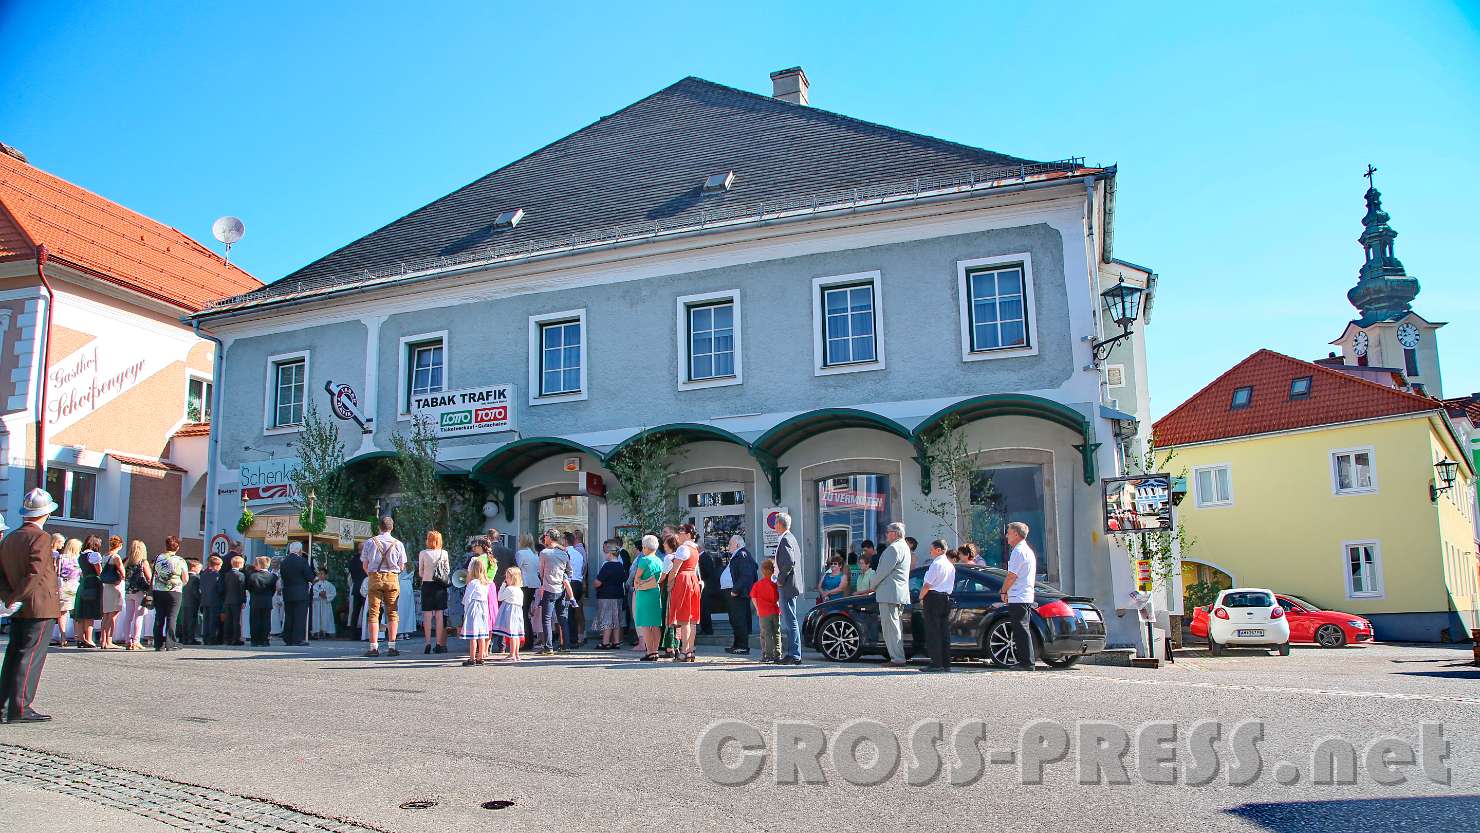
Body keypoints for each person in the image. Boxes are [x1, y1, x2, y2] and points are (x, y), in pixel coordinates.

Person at [0, 489, 62, 723]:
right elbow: (35, 573)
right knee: (31, 656)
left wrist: (9, 598)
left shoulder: (10, 538)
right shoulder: (41, 537)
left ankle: (4, 705)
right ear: (46, 513)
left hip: (19, 606)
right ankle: (20, 707)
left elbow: (1, 575)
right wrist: (17, 597)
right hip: (39, 606)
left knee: (14, 655)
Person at [360, 516, 407, 657]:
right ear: (392, 527)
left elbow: (365, 565)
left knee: (374, 613)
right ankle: (392, 646)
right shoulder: (398, 544)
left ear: (379, 527)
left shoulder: (370, 542)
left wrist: (372, 575)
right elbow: (402, 566)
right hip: (392, 578)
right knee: (392, 612)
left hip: (375, 577)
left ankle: (373, 647)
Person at [869, 522, 912, 667]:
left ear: (895, 533)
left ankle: (897, 658)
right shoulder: (904, 547)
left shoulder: (893, 548)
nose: (886, 534)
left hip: (889, 593)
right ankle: (898, 656)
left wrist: (872, 585)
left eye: (888, 532)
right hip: (898, 593)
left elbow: (882, 571)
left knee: (890, 628)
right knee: (895, 627)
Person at [999, 521, 1038, 671]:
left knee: (1021, 630)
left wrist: (1003, 591)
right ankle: (1026, 661)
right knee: (1022, 628)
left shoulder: (1018, 551)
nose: (1006, 536)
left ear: (1016, 534)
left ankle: (1026, 662)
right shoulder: (1027, 550)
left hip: (1018, 596)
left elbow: (1011, 576)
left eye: (1009, 532)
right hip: (1024, 595)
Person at [664, 524, 702, 663]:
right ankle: (690, 650)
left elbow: (675, 569)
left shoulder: (683, 548)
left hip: (683, 581)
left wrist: (670, 584)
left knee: (684, 618)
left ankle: (684, 652)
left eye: (680, 532)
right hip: (693, 580)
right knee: (692, 619)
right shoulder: (695, 549)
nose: (678, 535)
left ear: (687, 534)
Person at [918, 539, 955, 673]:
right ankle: (946, 663)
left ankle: (936, 663)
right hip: (945, 598)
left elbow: (927, 585)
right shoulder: (950, 565)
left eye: (932, 549)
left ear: (939, 550)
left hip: (933, 598)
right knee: (944, 632)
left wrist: (921, 597)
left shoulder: (936, 564)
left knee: (933, 632)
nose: (930, 552)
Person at [773, 512, 803, 665]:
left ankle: (794, 655)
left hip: (787, 585)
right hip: (790, 584)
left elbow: (789, 562)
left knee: (790, 621)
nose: (774, 526)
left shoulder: (785, 539)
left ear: (780, 524)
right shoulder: (790, 538)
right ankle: (793, 653)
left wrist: (780, 580)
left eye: (775, 523)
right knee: (791, 620)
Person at [536, 529, 572, 654]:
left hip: (549, 587)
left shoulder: (544, 553)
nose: (544, 538)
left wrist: (543, 580)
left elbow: (541, 571)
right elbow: (569, 571)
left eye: (545, 536)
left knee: (546, 618)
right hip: (561, 588)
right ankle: (566, 645)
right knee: (562, 617)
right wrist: (565, 581)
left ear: (549, 537)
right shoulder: (564, 553)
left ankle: (548, 647)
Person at [721, 535, 757, 655]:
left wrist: (735, 590)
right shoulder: (737, 555)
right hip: (734, 594)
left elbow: (746, 575)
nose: (728, 546)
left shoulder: (742, 555)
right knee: (735, 620)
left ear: (737, 544)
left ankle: (742, 646)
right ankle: (737, 645)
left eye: (730, 544)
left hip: (738, 594)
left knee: (739, 620)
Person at [630, 535, 664, 661]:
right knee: (655, 625)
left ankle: (650, 652)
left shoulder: (644, 560)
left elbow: (636, 579)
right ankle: (655, 651)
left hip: (644, 595)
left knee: (645, 625)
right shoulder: (659, 561)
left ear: (645, 547)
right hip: (655, 593)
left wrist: (640, 583)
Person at [150, 538, 187, 652]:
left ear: (166, 546)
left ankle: (158, 643)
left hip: (158, 590)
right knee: (172, 617)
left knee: (159, 616)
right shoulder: (180, 560)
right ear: (177, 547)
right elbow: (185, 578)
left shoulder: (158, 558)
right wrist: (180, 584)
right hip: (174, 591)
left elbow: (154, 574)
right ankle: (170, 643)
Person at [418, 531, 451, 654]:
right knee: (439, 615)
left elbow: (420, 572)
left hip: (427, 584)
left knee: (427, 615)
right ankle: (438, 643)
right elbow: (447, 571)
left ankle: (427, 643)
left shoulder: (423, 553)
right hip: (440, 586)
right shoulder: (444, 553)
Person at [72, 537, 104, 648]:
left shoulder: (81, 556)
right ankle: (89, 639)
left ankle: (81, 638)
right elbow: (99, 572)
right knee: (90, 612)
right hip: (93, 583)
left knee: (82, 612)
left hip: (84, 583)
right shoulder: (94, 555)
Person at [280, 541, 314, 646]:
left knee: (289, 616)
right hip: (300, 592)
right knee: (299, 616)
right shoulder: (302, 561)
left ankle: (288, 638)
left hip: (287, 591)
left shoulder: (284, 561)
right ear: (299, 550)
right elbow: (309, 576)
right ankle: (297, 639)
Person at [592, 546, 626, 649]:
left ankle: (605, 642)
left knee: (607, 619)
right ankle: (616, 642)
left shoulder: (607, 565)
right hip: (618, 595)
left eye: (606, 552)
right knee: (616, 619)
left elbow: (598, 582)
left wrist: (594, 584)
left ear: (610, 554)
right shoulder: (620, 565)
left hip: (606, 596)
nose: (605, 554)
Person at [121, 541, 152, 650]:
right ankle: (136, 641)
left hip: (128, 591)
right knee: (138, 616)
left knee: (128, 617)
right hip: (140, 591)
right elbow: (149, 578)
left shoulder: (127, 561)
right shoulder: (143, 562)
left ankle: (127, 640)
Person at [750, 558, 781, 663]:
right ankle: (777, 654)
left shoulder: (758, 584)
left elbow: (753, 597)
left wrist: (758, 609)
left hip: (763, 612)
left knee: (766, 634)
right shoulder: (776, 584)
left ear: (762, 571)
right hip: (775, 610)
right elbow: (779, 597)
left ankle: (767, 655)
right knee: (776, 633)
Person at [461, 557, 491, 666]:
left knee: (473, 635)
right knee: (481, 634)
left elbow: (467, 598)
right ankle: (480, 657)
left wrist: (465, 610)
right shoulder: (486, 584)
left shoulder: (473, 583)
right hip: (483, 609)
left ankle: (472, 658)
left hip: (473, 608)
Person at [98, 536, 126, 650]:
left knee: (106, 614)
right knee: (113, 614)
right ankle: (109, 641)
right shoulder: (116, 557)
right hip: (115, 586)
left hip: (106, 586)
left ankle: (103, 640)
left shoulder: (105, 556)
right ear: (120, 545)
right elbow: (123, 572)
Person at [492, 565, 524, 662]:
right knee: (516, 634)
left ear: (513, 578)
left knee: (512, 634)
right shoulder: (519, 590)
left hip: (510, 612)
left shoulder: (509, 589)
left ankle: (512, 654)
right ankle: (516, 654)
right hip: (518, 612)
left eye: (507, 577)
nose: (506, 579)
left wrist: (502, 586)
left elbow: (499, 597)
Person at [245, 556, 278, 646]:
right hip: (267, 600)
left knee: (255, 621)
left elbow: (249, 588)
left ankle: (255, 640)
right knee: (266, 621)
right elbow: (273, 589)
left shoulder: (253, 576)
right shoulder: (273, 576)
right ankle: (265, 640)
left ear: (259, 565)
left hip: (255, 600)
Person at [53, 537, 80, 647]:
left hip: (64, 585)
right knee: (75, 612)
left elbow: (56, 572)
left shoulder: (61, 558)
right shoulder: (77, 559)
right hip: (74, 586)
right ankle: (77, 636)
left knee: (62, 612)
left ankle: (63, 637)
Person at [514, 534, 540, 645]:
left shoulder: (520, 553)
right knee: (526, 612)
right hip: (533, 584)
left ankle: (526, 641)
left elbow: (517, 569)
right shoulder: (535, 554)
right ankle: (529, 640)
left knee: (523, 613)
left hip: (524, 584)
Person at [563, 530, 587, 647]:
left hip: (570, 583)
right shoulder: (578, 554)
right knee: (573, 612)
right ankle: (575, 638)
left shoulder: (566, 553)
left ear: (565, 541)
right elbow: (583, 569)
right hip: (578, 583)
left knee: (567, 613)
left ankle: (569, 640)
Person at [221, 555, 246, 646]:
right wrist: (243, 600)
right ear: (241, 564)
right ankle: (236, 639)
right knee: (236, 620)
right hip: (237, 600)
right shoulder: (240, 575)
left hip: (228, 599)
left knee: (228, 620)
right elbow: (241, 588)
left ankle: (227, 638)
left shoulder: (227, 574)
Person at [177, 559, 203, 645]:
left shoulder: (183, 577)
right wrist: (200, 599)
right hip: (193, 602)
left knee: (184, 620)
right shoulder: (196, 578)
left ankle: (184, 638)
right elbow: (196, 591)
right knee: (192, 621)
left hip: (184, 601)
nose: (200, 570)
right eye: (199, 568)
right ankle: (191, 638)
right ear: (194, 568)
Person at [198, 555, 223, 645]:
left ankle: (205, 638)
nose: (220, 568)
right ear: (216, 565)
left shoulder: (203, 574)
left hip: (205, 600)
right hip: (215, 600)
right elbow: (220, 589)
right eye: (220, 566)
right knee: (213, 621)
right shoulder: (217, 575)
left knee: (206, 620)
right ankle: (212, 639)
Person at [309, 567, 337, 638]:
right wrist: (319, 594)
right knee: (317, 618)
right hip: (317, 604)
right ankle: (316, 632)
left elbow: (333, 593)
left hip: (326, 604)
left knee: (326, 617)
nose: (321, 575)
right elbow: (312, 593)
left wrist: (326, 596)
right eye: (319, 574)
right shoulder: (315, 584)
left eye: (322, 574)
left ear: (326, 575)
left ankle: (326, 632)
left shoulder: (330, 585)